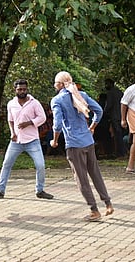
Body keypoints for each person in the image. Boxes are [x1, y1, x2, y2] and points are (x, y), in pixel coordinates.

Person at [50, 71, 113, 221]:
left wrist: (55, 140)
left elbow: (57, 124)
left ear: (59, 84)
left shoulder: (57, 100)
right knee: (95, 173)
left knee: (81, 178)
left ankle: (94, 210)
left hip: (74, 144)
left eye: (55, 83)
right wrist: (92, 127)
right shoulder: (82, 95)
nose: (54, 85)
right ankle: (108, 203)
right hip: (88, 141)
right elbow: (98, 110)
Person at [0, 79, 53, 199]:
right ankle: (0, 190)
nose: (22, 91)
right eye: (19, 89)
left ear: (27, 89)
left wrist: (30, 123)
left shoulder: (34, 103)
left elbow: (42, 117)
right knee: (6, 164)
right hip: (16, 140)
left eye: (24, 89)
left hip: (32, 140)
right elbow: (10, 120)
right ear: (15, 90)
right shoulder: (11, 104)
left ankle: (40, 190)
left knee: (40, 165)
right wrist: (12, 133)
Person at [104, 78, 126, 158]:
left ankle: (120, 153)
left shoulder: (110, 93)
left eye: (107, 84)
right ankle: (123, 152)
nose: (105, 86)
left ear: (111, 84)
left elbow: (109, 105)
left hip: (115, 116)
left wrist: (104, 112)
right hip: (122, 116)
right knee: (121, 135)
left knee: (117, 135)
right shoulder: (120, 92)